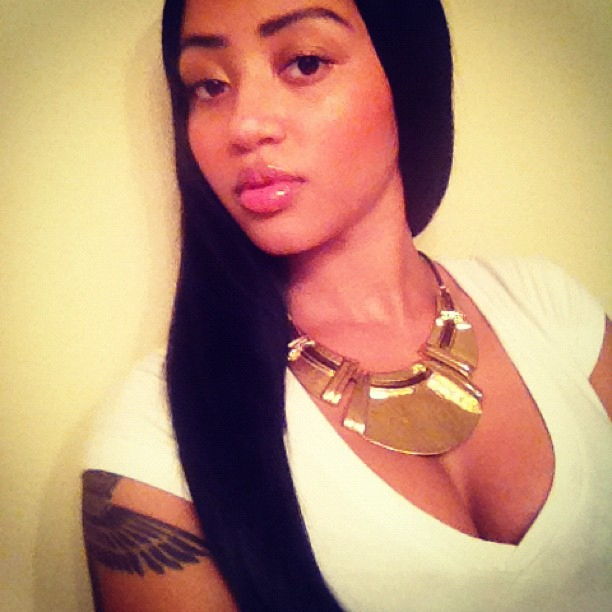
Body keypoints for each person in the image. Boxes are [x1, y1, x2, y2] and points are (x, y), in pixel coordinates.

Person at [82, 0, 611, 610]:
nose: (244, 126)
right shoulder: (154, 436)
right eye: (210, 86)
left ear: (406, 78)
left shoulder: (548, 307)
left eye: (305, 63)